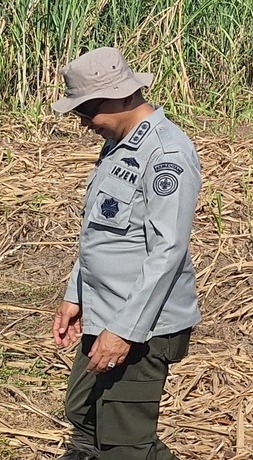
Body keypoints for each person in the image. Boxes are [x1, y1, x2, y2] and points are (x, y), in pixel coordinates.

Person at [51, 47, 201, 459]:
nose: (84, 124)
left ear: (118, 97)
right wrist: (75, 294)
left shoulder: (167, 153)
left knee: (124, 444)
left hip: (142, 326)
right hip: (104, 311)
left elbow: (167, 251)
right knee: (83, 412)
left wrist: (125, 332)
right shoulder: (119, 144)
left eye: (87, 112)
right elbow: (99, 230)